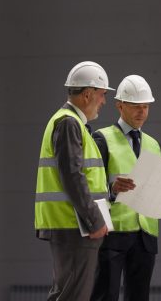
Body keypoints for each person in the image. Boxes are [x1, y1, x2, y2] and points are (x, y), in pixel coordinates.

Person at [34, 61, 114, 300]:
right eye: (102, 94)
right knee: (73, 295)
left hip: (72, 224)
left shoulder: (71, 122)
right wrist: (94, 220)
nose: (104, 101)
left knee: (66, 292)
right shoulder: (70, 123)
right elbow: (72, 176)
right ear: (87, 94)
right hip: (74, 225)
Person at [91, 75, 161, 301]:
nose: (142, 112)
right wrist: (112, 189)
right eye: (135, 106)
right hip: (113, 233)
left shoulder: (154, 144)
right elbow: (91, 187)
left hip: (145, 236)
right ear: (119, 105)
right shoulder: (102, 139)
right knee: (105, 295)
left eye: (145, 106)